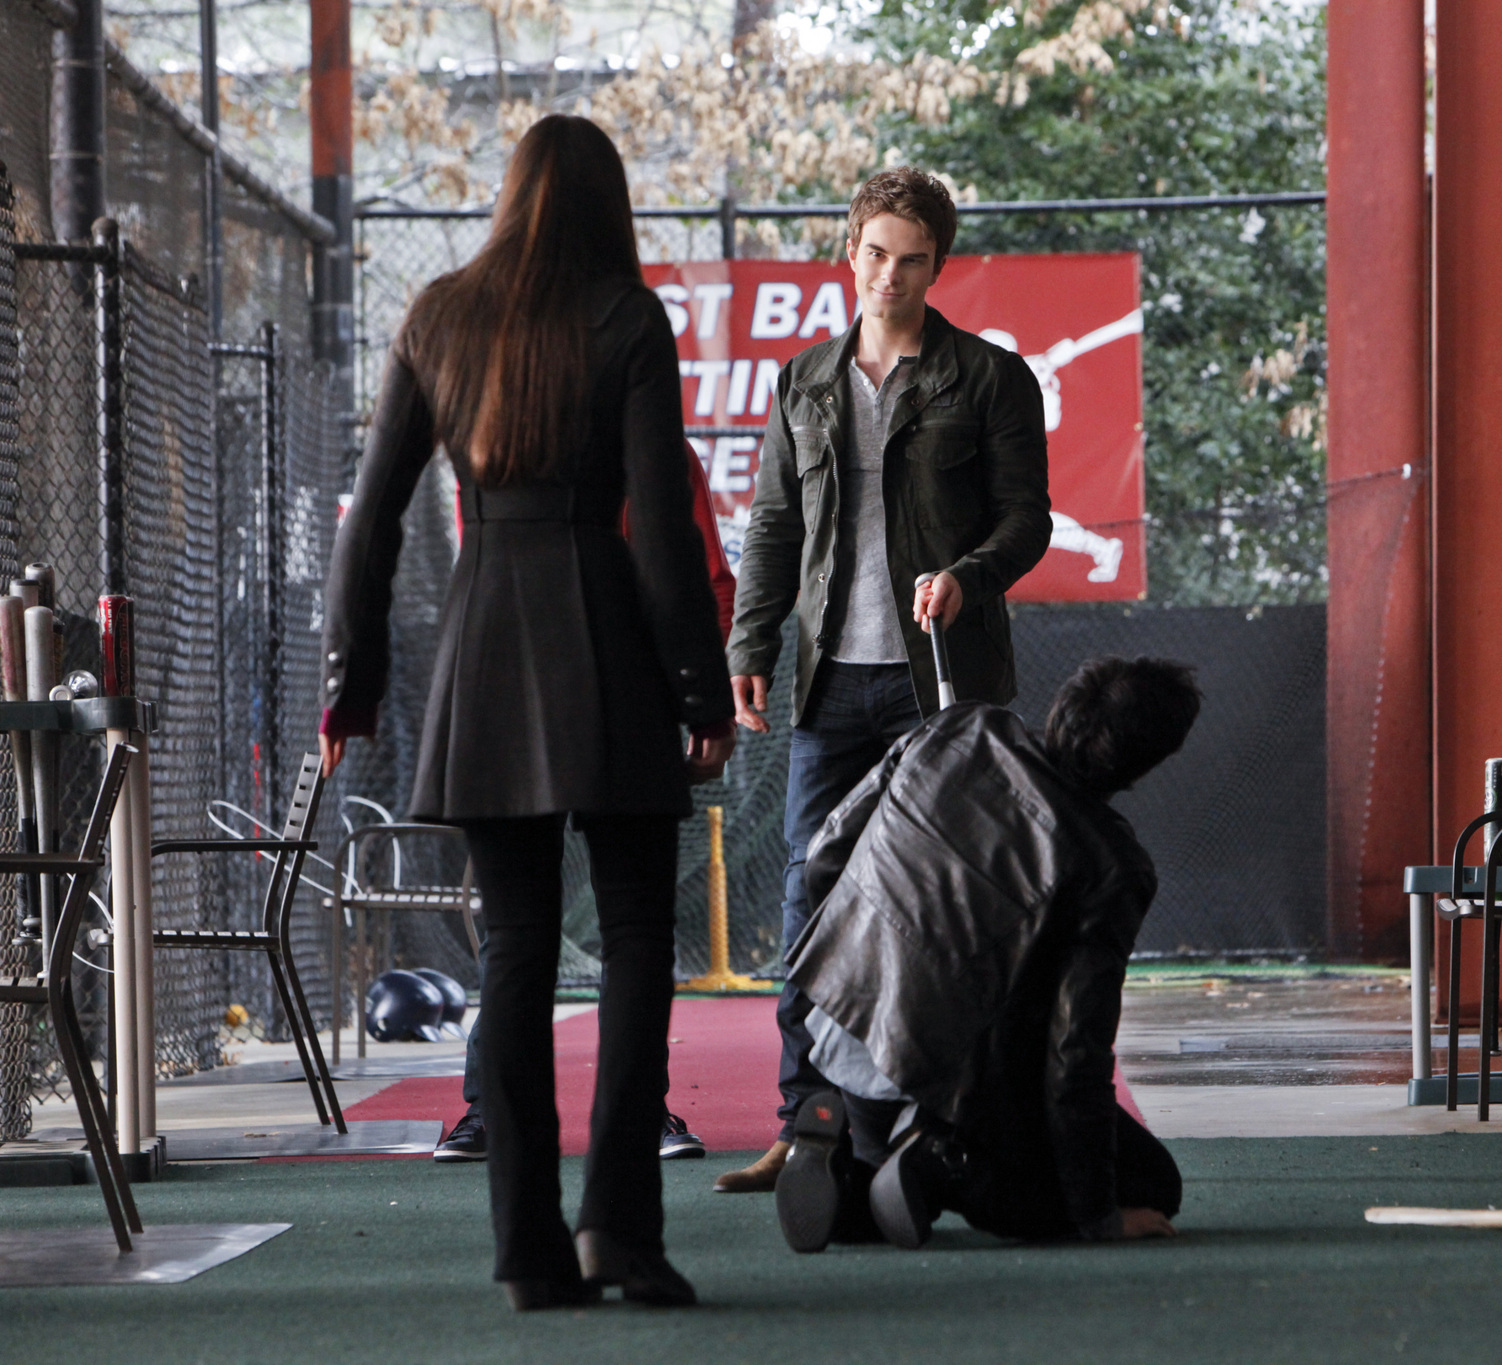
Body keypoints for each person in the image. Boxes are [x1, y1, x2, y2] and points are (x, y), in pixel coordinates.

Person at [319, 115, 734, 1310]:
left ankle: (526, 1251)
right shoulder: (626, 318)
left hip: (485, 643)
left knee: (511, 950)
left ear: (507, 196)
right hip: (604, 639)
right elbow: (660, 532)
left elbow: (373, 520)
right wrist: (699, 692)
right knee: (640, 943)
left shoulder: (438, 315)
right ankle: (620, 1230)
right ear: (608, 203)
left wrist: (350, 687)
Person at [716, 167, 1052, 1193]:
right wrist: (748, 647)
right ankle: (804, 1124)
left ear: (937, 264)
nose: (890, 275)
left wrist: (966, 576)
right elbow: (773, 524)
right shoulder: (804, 381)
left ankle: (947, 1123)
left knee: (951, 897)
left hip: (941, 685)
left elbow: (1026, 520)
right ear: (847, 251)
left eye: (912, 260)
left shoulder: (989, 379)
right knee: (809, 896)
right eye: (875, 254)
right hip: (827, 682)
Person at [769, 656, 1201, 1252]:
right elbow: (1075, 1052)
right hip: (944, 1083)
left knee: (885, 1161)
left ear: (1065, 702)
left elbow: (824, 856)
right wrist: (1096, 1217)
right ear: (1147, 761)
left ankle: (854, 1174)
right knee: (1153, 1182)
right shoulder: (1113, 865)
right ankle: (945, 1165)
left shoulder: (961, 727)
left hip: (840, 1028)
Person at [434, 451, 736, 1166]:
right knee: (545, 930)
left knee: (613, 928)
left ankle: (579, 1112)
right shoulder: (498, 446)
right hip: (539, 698)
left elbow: (706, 581)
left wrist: (698, 697)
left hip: (603, 700)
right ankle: (503, 1110)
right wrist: (701, 701)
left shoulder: (634, 445)